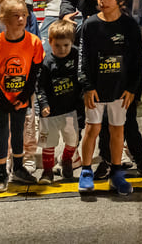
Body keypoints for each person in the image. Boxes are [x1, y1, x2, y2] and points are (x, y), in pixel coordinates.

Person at [76, 0, 142, 196]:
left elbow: (136, 59)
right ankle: (86, 171)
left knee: (117, 130)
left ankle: (117, 173)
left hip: (120, 89)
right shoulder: (90, 24)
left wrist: (132, 87)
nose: (103, 1)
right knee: (92, 128)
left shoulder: (129, 25)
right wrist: (86, 85)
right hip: (95, 87)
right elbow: (83, 58)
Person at [0, 0, 43, 193]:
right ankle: (1, 172)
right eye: (16, 16)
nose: (21, 19)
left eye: (24, 15)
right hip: (1, 98)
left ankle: (18, 167)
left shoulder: (33, 42)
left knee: (18, 133)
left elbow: (35, 70)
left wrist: (25, 94)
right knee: (2, 133)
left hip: (21, 97)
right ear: (4, 19)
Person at [36, 18, 80, 183]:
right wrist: (44, 105)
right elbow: (39, 87)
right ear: (50, 42)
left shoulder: (76, 56)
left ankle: (66, 159)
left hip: (70, 110)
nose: (62, 50)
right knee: (48, 144)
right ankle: (47, 172)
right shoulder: (46, 62)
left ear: (72, 43)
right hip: (51, 113)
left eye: (66, 45)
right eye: (57, 45)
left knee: (72, 140)